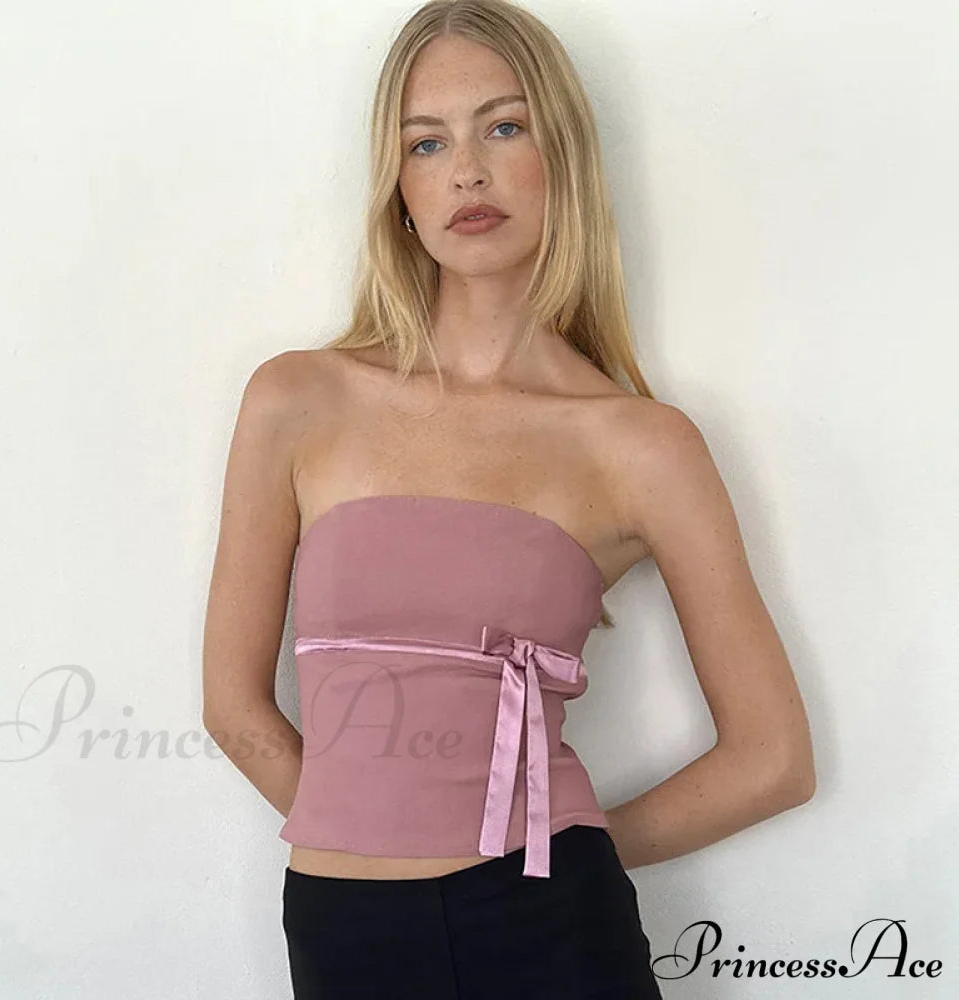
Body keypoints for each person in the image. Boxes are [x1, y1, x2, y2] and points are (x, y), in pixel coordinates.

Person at [201, 1, 816, 996]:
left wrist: (552, 847)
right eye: (427, 142)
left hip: (551, 930)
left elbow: (773, 758)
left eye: (503, 126)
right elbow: (232, 705)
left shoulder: (641, 444)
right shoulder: (297, 399)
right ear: (398, 187)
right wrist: (366, 827)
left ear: (561, 155)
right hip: (340, 932)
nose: (467, 172)